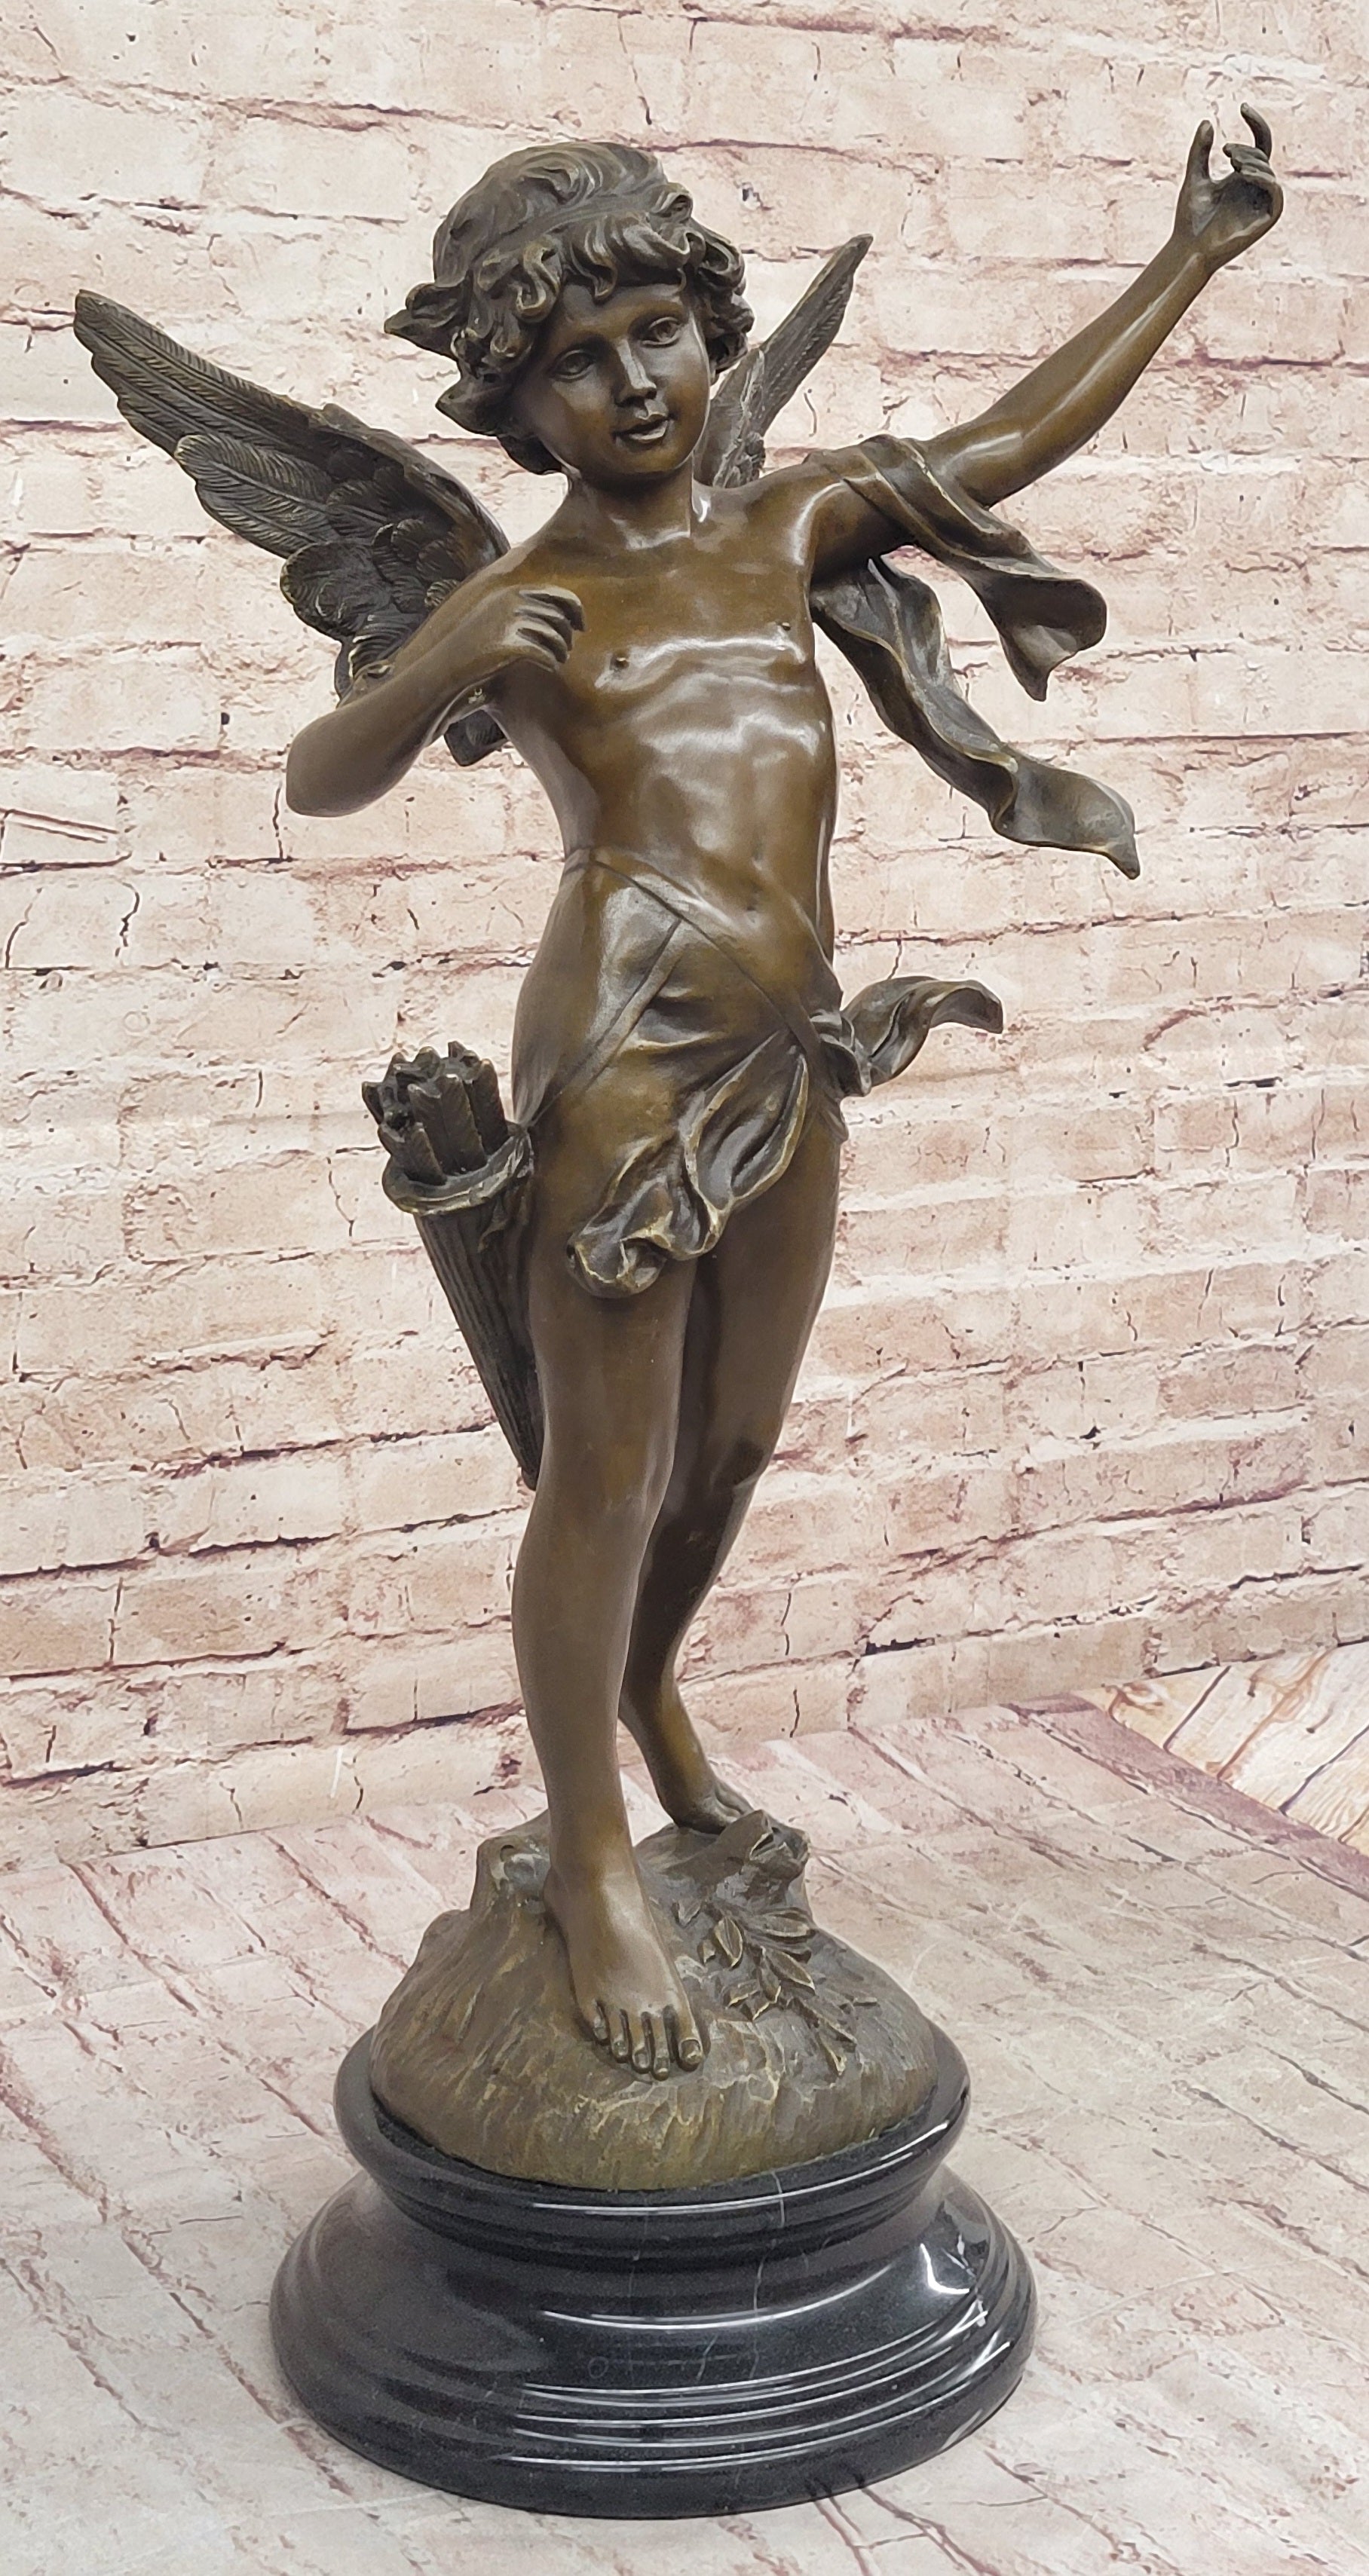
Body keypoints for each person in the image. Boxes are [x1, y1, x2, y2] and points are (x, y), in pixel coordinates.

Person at [285, 122, 1282, 2079]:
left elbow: (1003, 447)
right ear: (515, 400)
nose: (634, 382)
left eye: (659, 330)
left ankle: (652, 1706)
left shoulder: (787, 525)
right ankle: (590, 1854)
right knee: (602, 1476)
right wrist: (444, 654)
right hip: (619, 1061)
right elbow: (325, 776)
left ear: (711, 327)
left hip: (792, 1046)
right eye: (579, 360)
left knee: (728, 1454)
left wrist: (1194, 256)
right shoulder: (528, 597)